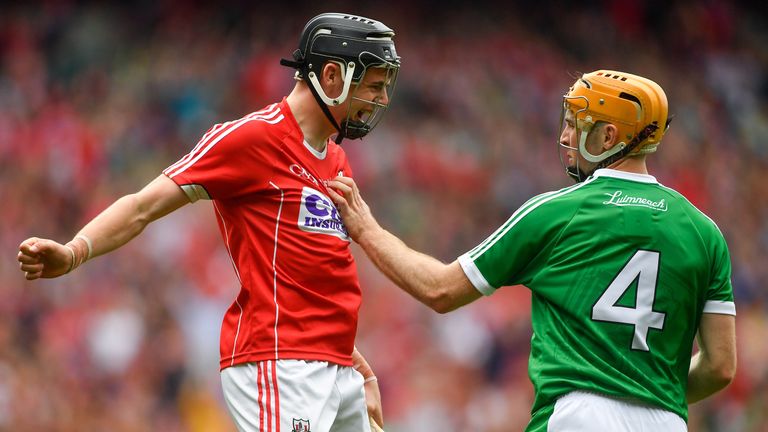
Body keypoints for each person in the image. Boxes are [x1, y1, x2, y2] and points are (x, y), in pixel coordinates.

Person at [17, 12, 399, 432]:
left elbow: (317, 276)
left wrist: (348, 357)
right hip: (280, 362)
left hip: (334, 366)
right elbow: (143, 206)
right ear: (332, 76)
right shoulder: (252, 138)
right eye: (374, 86)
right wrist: (74, 252)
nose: (380, 99)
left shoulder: (337, 159)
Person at [328, 70, 737, 431]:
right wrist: (648, 391)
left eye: (577, 124)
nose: (566, 137)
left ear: (609, 137)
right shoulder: (705, 232)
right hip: (667, 421)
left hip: (578, 417)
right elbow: (720, 366)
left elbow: (441, 289)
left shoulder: (558, 212)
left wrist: (367, 230)